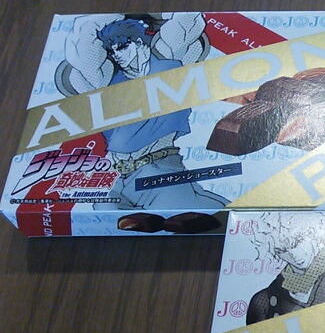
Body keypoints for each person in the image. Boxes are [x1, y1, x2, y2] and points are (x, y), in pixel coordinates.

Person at [65, 14, 227, 209]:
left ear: (139, 43)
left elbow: (187, 20)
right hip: (117, 178)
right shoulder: (108, 81)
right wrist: (119, 13)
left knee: (204, 214)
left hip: (157, 170)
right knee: (105, 212)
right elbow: (82, 47)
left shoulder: (167, 62)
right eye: (112, 51)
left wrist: (156, 14)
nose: (117, 55)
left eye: (122, 47)